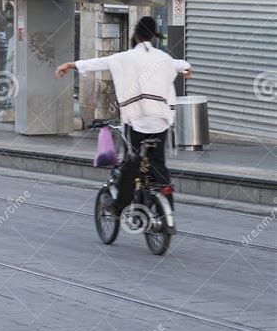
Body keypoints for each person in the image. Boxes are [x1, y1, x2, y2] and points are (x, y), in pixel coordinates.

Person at [55, 16, 192, 210]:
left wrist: (69, 65)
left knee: (131, 164)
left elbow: (98, 63)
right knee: (158, 164)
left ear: (135, 35)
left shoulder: (125, 58)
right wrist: (187, 69)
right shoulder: (164, 58)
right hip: (161, 121)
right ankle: (165, 211)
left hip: (136, 120)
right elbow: (180, 64)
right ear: (153, 36)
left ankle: (119, 206)